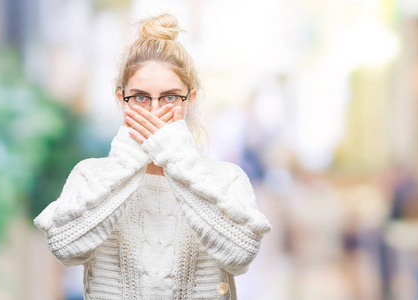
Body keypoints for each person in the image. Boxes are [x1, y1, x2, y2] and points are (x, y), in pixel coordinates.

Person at [34, 13, 272, 300]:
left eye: (170, 97)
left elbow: (241, 255)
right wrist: (128, 160)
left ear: (190, 100)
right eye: (141, 98)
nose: (153, 110)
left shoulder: (227, 178)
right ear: (122, 98)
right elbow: (65, 246)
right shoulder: (92, 175)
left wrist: (178, 160)